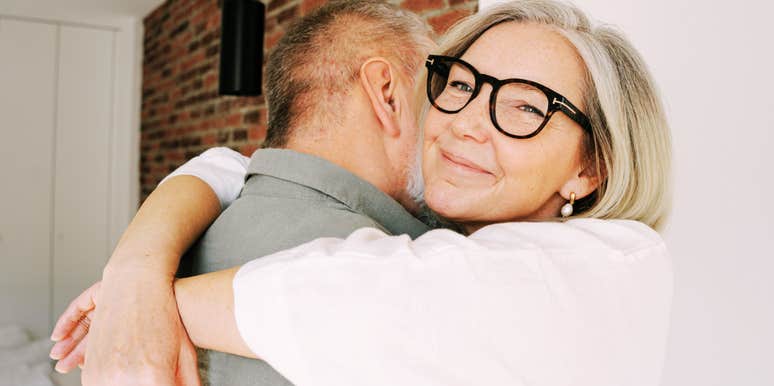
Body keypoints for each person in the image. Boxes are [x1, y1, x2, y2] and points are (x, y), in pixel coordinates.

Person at [52, 0, 673, 385]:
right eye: (459, 85)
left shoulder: (614, 266)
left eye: (522, 107)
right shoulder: (423, 234)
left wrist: (137, 301)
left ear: (591, 169)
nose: (465, 121)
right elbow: (229, 164)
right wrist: (136, 268)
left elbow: (353, 301)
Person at [49, 2, 435, 385]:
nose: (454, 120)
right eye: (442, 91)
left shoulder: (190, 242)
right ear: (387, 94)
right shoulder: (417, 285)